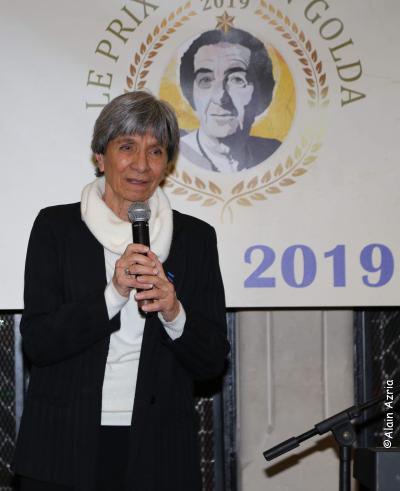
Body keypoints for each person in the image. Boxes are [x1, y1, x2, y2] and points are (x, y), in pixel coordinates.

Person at [13, 91, 229, 491]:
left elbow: (213, 361)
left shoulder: (195, 239)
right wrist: (112, 295)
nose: (141, 164)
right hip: (62, 446)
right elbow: (39, 342)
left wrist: (174, 312)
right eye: (127, 147)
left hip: (159, 449)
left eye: (155, 151)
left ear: (167, 164)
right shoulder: (56, 229)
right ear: (101, 157)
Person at [179, 28, 281, 172]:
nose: (220, 97)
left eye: (237, 80)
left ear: (261, 94)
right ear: (191, 93)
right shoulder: (174, 156)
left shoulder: (275, 153)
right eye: (206, 80)